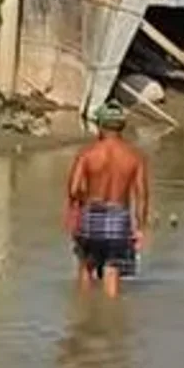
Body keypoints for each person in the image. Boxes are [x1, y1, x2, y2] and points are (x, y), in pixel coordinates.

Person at [64, 101, 149, 298]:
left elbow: (74, 189)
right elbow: (142, 195)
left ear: (100, 126)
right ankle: (111, 318)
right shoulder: (135, 157)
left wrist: (83, 202)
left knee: (86, 265)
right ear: (122, 126)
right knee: (112, 270)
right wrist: (140, 228)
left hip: (91, 216)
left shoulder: (87, 154)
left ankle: (84, 312)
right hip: (119, 219)